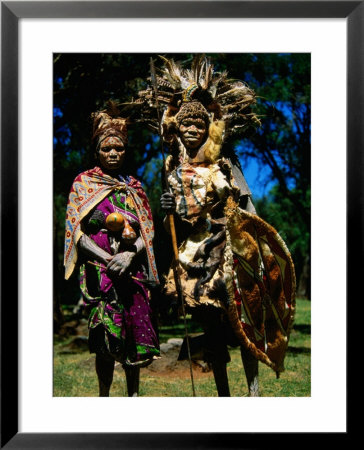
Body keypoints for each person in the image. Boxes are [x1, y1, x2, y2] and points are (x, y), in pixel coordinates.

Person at [134, 55, 296, 397]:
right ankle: (223, 396)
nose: (192, 130)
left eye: (199, 124)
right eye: (185, 125)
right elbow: (173, 224)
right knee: (212, 329)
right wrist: (169, 212)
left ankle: (253, 393)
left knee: (244, 324)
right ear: (176, 128)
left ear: (210, 127)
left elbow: (247, 210)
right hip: (197, 255)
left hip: (230, 251)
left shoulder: (225, 164)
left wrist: (254, 244)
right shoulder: (172, 170)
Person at [64, 103, 160, 397]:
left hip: (133, 274)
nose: (114, 153)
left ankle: (133, 397)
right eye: (107, 149)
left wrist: (130, 255)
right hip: (100, 274)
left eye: (119, 148)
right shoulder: (84, 184)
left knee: (133, 335)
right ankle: (103, 399)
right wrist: (108, 258)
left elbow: (148, 230)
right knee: (104, 340)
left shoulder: (134, 187)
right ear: (97, 152)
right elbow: (76, 233)